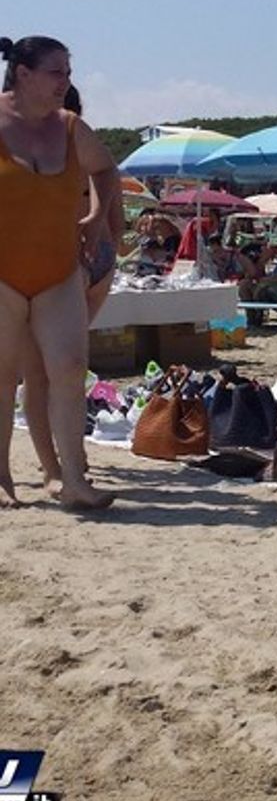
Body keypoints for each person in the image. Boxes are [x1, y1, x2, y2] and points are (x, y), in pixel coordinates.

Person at [0, 36, 118, 510]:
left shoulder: (71, 127)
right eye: (56, 73)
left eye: (68, 72)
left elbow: (106, 170)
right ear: (23, 75)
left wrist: (96, 218)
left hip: (58, 270)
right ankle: (2, 477)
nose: (65, 82)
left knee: (69, 369)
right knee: (2, 377)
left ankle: (73, 480)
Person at [20, 83, 124, 495]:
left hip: (79, 262)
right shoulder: (82, 149)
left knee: (52, 371)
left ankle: (63, 465)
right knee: (55, 369)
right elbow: (115, 220)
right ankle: (59, 464)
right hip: (79, 262)